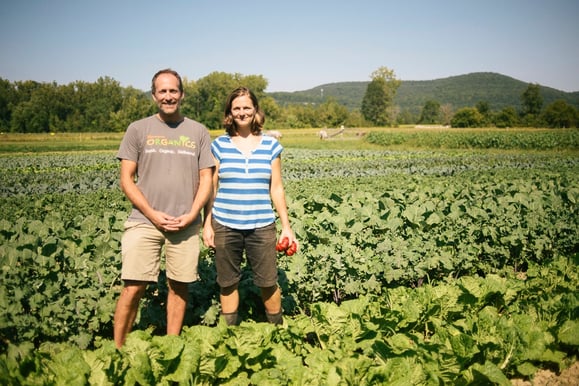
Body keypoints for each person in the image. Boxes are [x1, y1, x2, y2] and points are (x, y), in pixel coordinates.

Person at [113, 68, 214, 348]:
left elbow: (207, 178)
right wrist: (152, 214)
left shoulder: (198, 131)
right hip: (144, 222)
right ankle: (117, 350)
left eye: (173, 91)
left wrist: (194, 215)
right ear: (154, 94)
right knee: (133, 286)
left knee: (178, 286)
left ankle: (171, 347)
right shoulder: (138, 129)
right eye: (162, 91)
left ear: (181, 94)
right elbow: (126, 179)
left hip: (185, 223)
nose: (168, 96)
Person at [202, 86, 297, 326]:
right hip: (224, 223)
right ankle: (230, 333)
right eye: (237, 108)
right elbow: (211, 189)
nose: (242, 112)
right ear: (229, 112)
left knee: (268, 282)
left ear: (255, 110)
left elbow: (276, 188)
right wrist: (207, 224)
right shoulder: (219, 145)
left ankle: (277, 330)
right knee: (227, 282)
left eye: (247, 107)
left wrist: (286, 226)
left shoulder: (271, 146)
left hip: (262, 224)